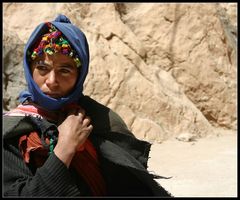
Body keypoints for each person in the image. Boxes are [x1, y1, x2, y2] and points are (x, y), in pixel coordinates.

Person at [3, 14, 172, 197]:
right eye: (42, 68)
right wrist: (65, 147)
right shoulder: (12, 132)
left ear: (80, 74)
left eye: (64, 70)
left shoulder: (101, 120)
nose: (52, 81)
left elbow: (129, 185)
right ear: (30, 68)